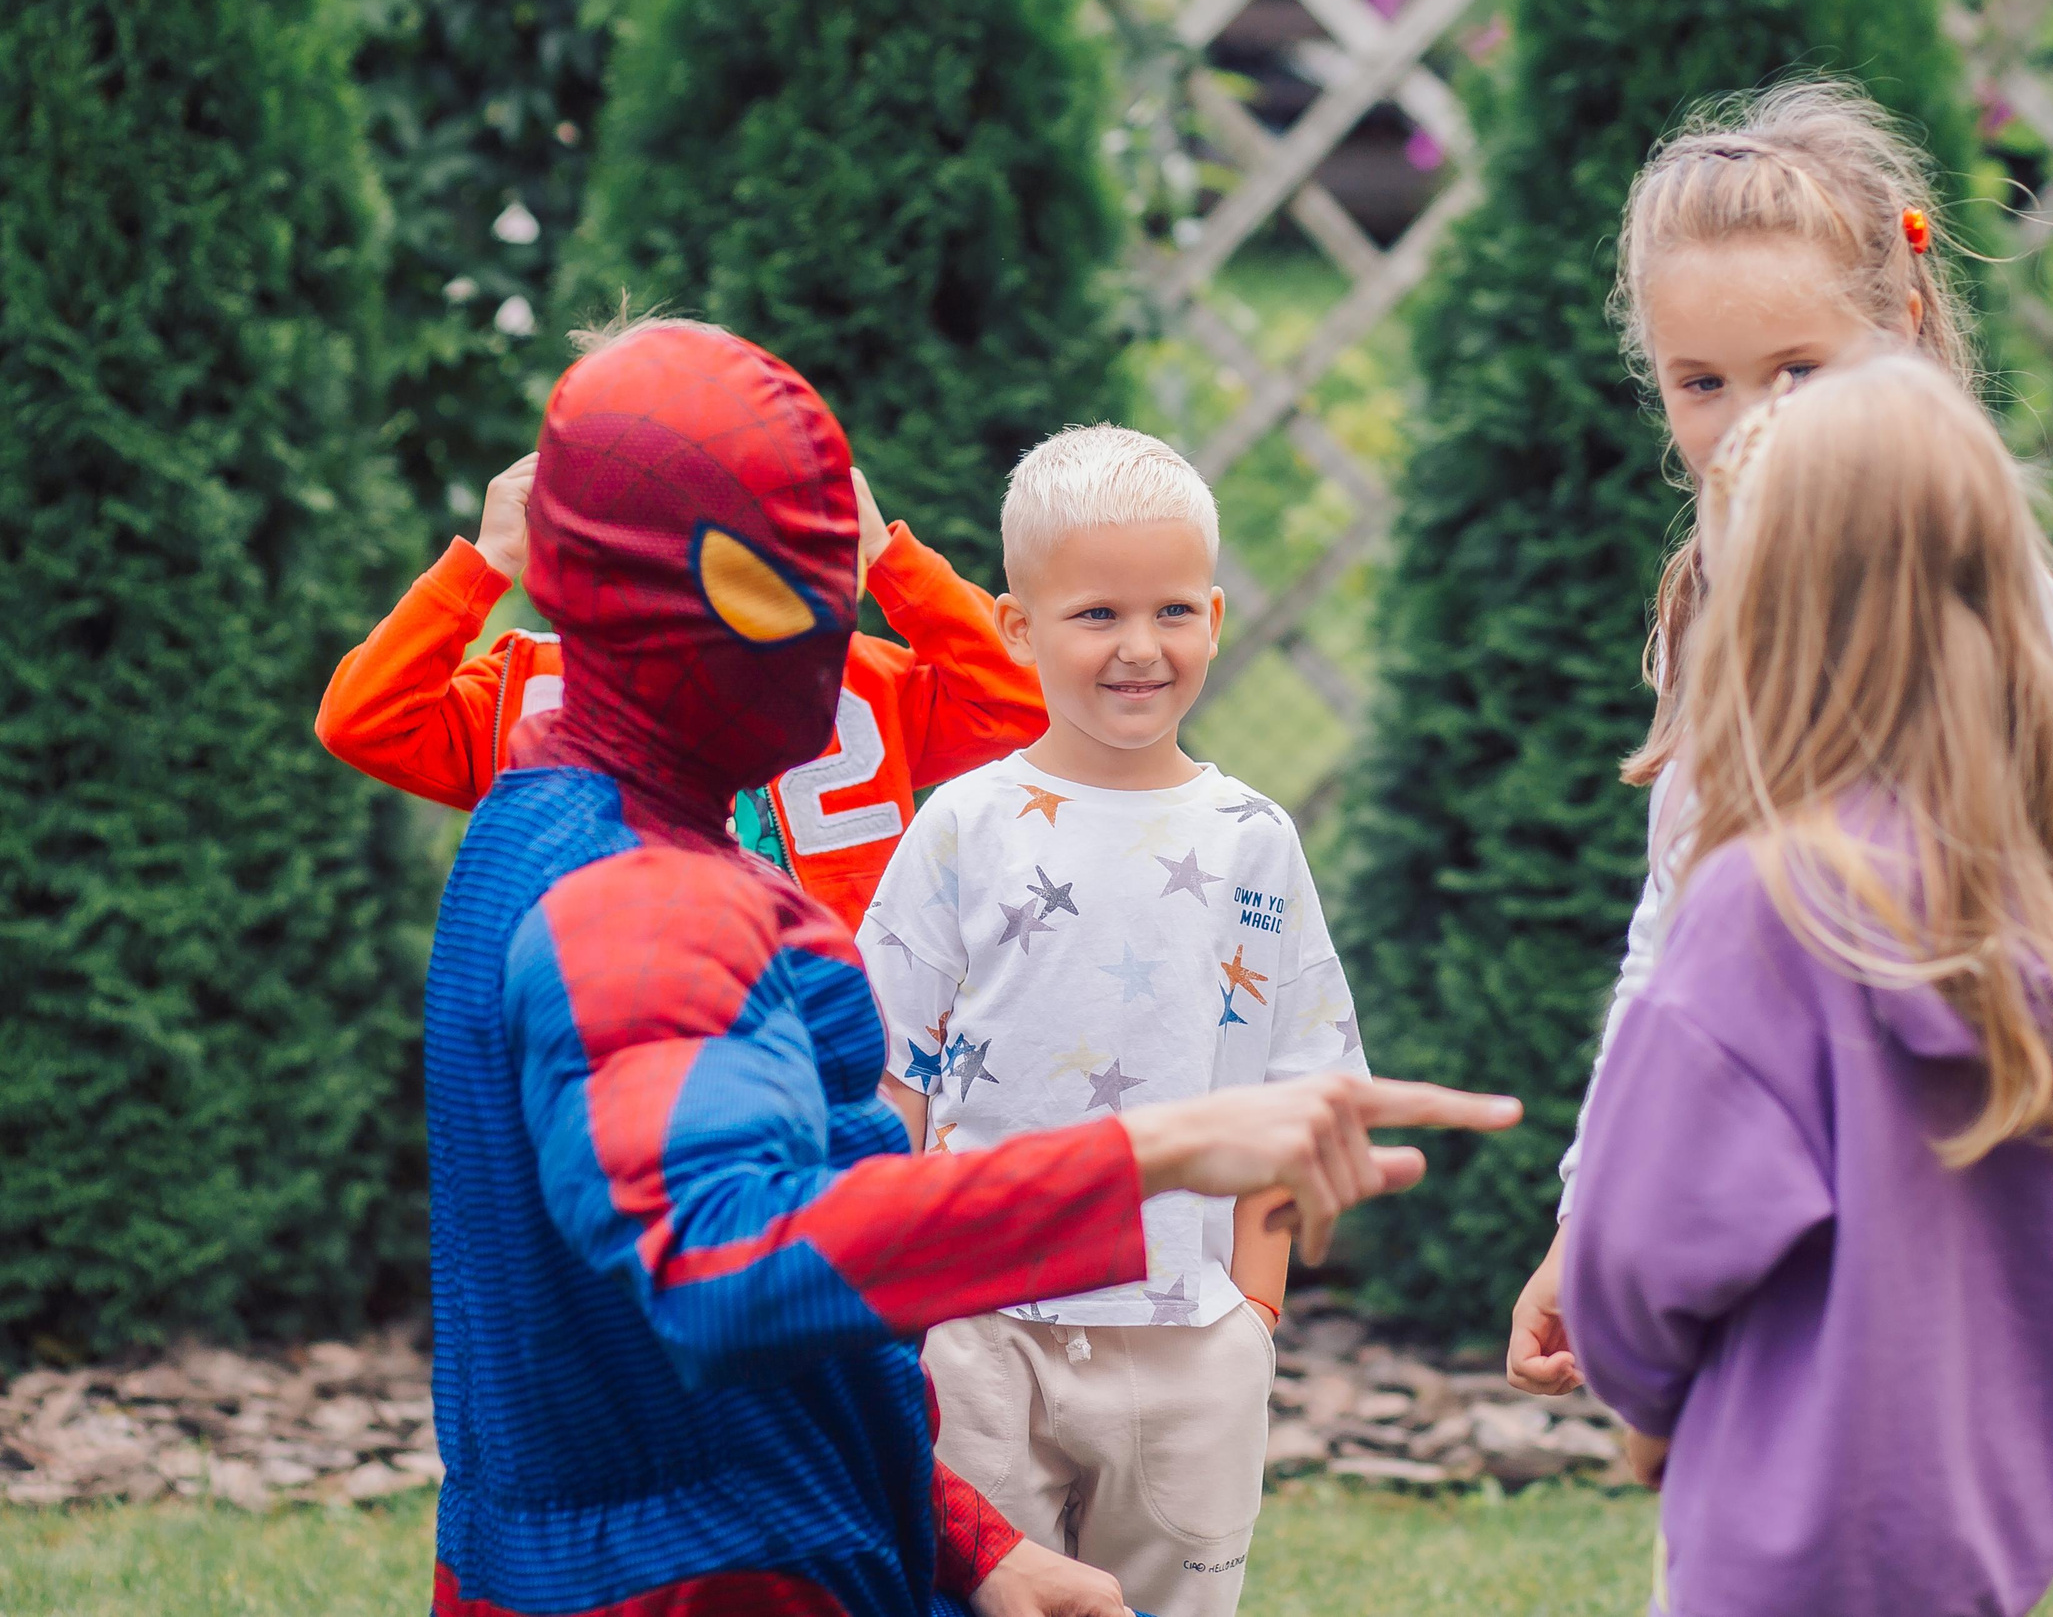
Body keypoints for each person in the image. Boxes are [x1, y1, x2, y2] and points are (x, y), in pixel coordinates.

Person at [417, 319, 1518, 1617]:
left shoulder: (557, 822)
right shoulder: (638, 904)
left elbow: (802, 1344)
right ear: (669, 599)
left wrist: (974, 1544)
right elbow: (738, 1268)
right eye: (794, 588)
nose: (836, 643)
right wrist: (1145, 1154)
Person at [1561, 355, 2053, 1616]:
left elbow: (1636, 1250)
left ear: (1763, 623)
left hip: (1770, 1538)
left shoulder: (1763, 908)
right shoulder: (2049, 907)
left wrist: (1647, 1399)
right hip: (1975, 1538)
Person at [1506, 78, 2053, 1396]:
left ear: (1906, 324)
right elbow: (1670, 920)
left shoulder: (1982, 601)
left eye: (1797, 371)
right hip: (1736, 1166)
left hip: (1917, 1174)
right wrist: (1595, 1203)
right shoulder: (1707, 603)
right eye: (1701, 382)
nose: (1750, 418)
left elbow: (2011, 906)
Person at [855, 425, 1353, 1617]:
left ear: (1218, 619)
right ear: (1019, 631)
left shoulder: (1253, 840)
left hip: (1191, 1338)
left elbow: (1302, 1077)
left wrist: (1255, 1306)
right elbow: (887, 1070)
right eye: (1096, 616)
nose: (1141, 648)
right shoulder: (961, 828)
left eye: (1174, 610)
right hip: (979, 1334)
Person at [316, 423, 1044, 930]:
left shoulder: (851, 677)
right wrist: (485, 561)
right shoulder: (526, 688)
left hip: (845, 1080)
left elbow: (1020, 698)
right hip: (630, 1074)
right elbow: (363, 720)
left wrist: (886, 553)